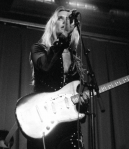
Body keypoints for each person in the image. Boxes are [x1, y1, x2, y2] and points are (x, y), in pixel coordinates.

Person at [28, 6, 88, 149]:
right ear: (53, 23)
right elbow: (45, 67)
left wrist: (83, 104)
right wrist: (62, 40)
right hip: (44, 125)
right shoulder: (39, 49)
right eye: (60, 18)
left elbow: (81, 114)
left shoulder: (76, 61)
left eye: (68, 19)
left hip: (69, 129)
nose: (64, 22)